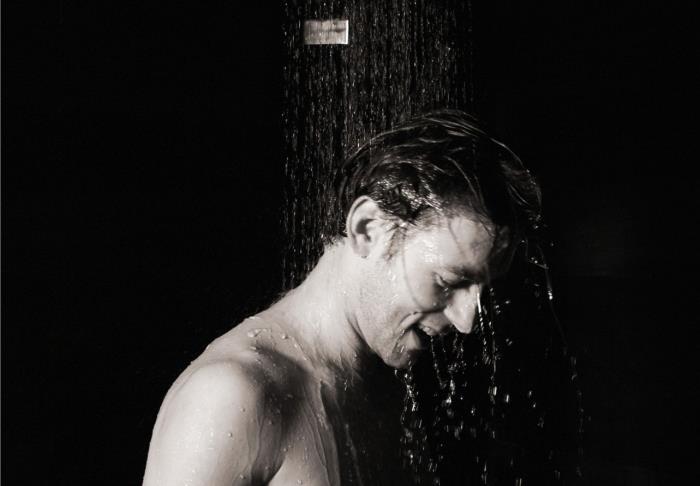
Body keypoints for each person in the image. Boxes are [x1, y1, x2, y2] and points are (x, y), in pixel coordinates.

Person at [142, 109, 541, 486]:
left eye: (481, 290)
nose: (467, 321)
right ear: (367, 229)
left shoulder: (390, 388)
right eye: (448, 281)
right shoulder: (230, 395)